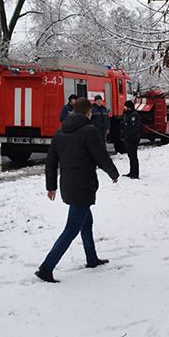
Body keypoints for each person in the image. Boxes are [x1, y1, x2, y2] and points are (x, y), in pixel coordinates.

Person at [36, 97, 119, 283]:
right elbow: (100, 155)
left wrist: (51, 186)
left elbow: (50, 162)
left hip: (68, 184)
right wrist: (113, 173)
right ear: (89, 112)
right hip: (83, 185)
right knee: (71, 229)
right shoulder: (90, 131)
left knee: (86, 222)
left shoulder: (60, 132)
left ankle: (91, 259)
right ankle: (46, 268)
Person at [122, 100, 141, 179]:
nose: (124, 108)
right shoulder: (128, 114)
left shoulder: (134, 115)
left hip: (133, 138)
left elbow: (134, 127)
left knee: (133, 156)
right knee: (130, 155)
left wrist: (127, 134)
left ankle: (135, 173)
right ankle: (131, 171)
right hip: (129, 138)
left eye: (125, 106)